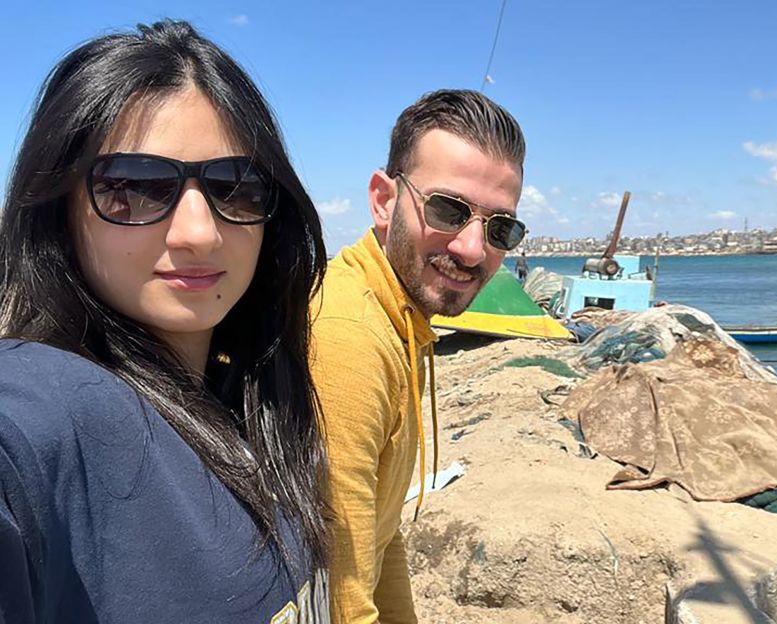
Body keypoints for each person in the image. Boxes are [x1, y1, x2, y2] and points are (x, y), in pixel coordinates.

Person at [0, 20, 330, 622]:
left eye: (236, 186)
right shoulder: (38, 419)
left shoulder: (256, 406)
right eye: (134, 187)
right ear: (58, 208)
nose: (200, 234)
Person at [312, 89, 527, 622]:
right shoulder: (349, 336)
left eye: (500, 227)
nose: (472, 249)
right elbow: (339, 595)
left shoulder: (398, 317)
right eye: (448, 209)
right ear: (384, 200)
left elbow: (381, 538)